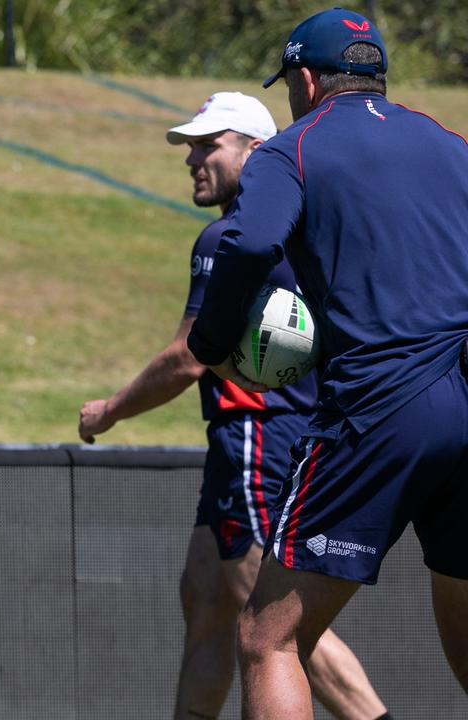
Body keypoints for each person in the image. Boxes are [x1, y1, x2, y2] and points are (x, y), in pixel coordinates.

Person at [187, 7, 468, 719]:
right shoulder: (449, 143)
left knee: (268, 637)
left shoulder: (293, 148)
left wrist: (211, 344)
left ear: (305, 81)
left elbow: (248, 245)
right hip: (466, 399)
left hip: (380, 409)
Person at [78, 91, 388, 719]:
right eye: (190, 145)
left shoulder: (229, 237)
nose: (193, 158)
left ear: (257, 150)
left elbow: (187, 357)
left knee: (272, 618)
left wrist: (110, 409)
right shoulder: (308, 231)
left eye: (209, 143)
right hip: (263, 439)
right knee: (207, 597)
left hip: (258, 436)